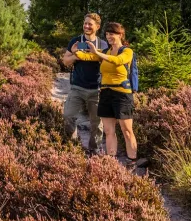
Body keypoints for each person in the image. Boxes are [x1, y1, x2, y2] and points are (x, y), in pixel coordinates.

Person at [85, 22, 146, 168]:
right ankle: (111, 161)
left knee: (126, 130)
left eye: (112, 33)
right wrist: (75, 51)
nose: (108, 36)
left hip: (122, 95)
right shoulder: (105, 52)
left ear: (120, 34)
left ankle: (132, 160)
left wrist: (97, 53)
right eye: (106, 34)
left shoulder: (127, 51)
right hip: (106, 93)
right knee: (108, 131)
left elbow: (118, 61)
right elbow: (90, 57)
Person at [61, 13, 108, 154]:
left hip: (97, 89)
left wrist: (96, 55)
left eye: (90, 24)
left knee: (97, 124)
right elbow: (65, 61)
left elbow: (108, 63)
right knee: (68, 116)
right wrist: (77, 54)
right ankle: (72, 144)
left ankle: (94, 150)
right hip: (77, 87)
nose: (86, 26)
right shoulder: (76, 41)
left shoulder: (103, 44)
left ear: (97, 27)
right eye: (85, 23)